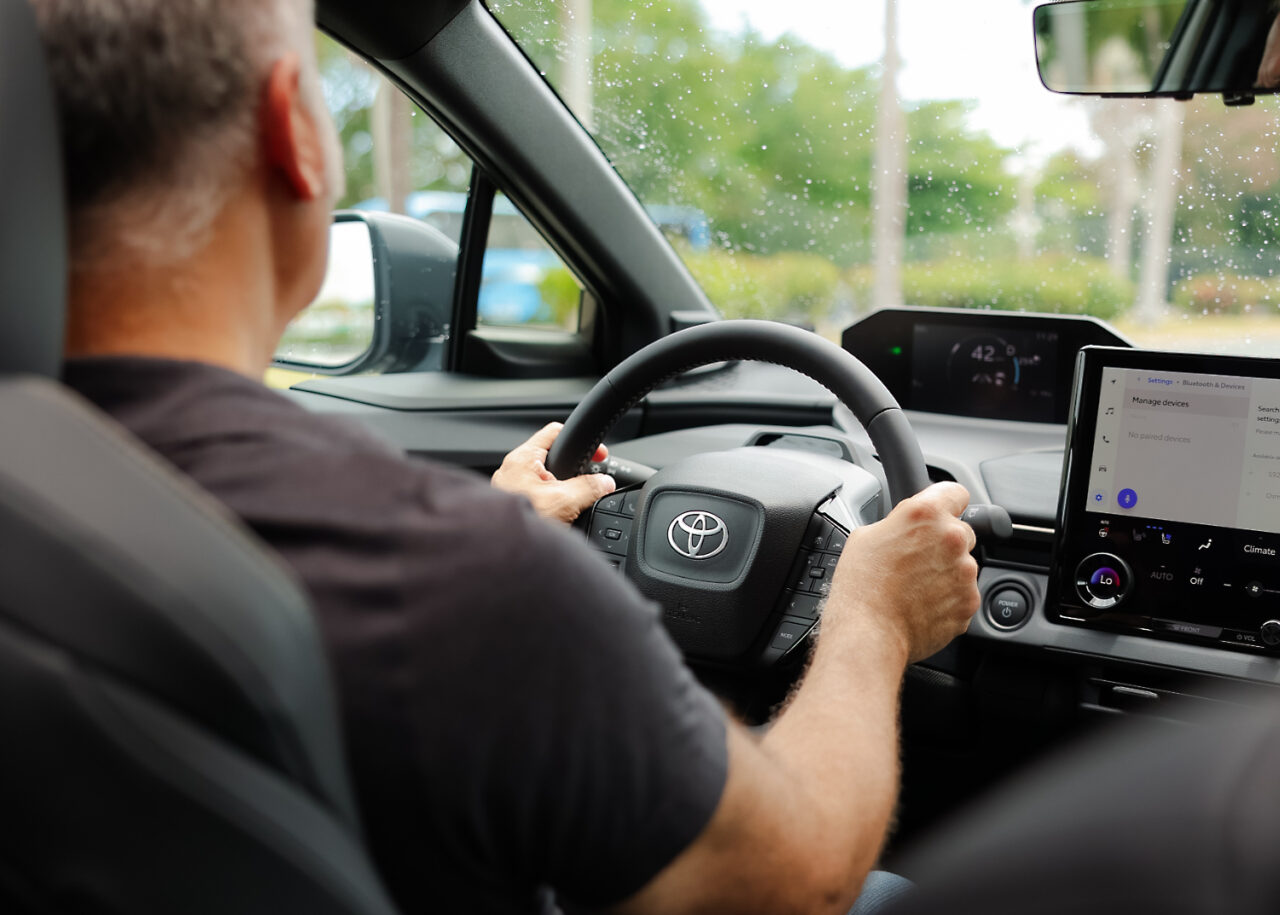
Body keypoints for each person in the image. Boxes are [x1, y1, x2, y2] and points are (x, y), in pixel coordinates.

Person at [32, 1, 980, 912]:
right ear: (295, 133)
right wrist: (872, 616)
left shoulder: (43, 489)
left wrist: (498, 531)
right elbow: (795, 883)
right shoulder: (454, 581)